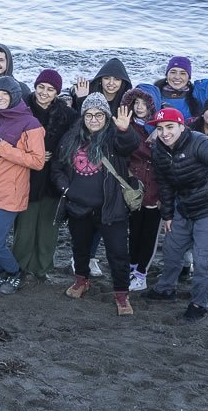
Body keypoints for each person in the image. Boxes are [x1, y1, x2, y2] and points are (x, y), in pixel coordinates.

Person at [145, 107, 208, 323]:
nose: (165, 133)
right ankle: (165, 289)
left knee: (203, 259)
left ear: (182, 126)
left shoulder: (199, 142)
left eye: (170, 127)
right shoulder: (160, 150)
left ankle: (200, 303)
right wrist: (168, 214)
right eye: (160, 129)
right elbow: (165, 185)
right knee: (171, 249)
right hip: (185, 206)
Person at [54, 95, 142, 316]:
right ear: (83, 117)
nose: (94, 119)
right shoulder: (71, 138)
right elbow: (57, 167)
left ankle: (122, 295)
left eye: (99, 114)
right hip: (78, 207)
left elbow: (130, 145)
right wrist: (66, 189)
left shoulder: (114, 138)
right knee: (80, 248)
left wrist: (125, 130)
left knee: (118, 253)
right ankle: (81, 281)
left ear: (106, 117)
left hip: (111, 207)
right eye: (89, 115)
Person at [0, 76, 46, 296]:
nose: (0, 98)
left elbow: (37, 161)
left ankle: (15, 272)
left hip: (9, 194)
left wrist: (6, 149)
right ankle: (2, 271)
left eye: (4, 94)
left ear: (14, 96)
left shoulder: (31, 124)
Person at [13, 69, 76, 283]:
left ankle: (42, 268)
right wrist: (33, 154)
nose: (44, 93)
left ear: (57, 93)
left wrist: (55, 155)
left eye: (50, 89)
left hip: (53, 176)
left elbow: (75, 140)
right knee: (25, 226)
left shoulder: (67, 115)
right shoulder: (22, 109)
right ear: (35, 86)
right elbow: (9, 136)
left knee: (49, 227)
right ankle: (21, 265)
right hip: (25, 174)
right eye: (41, 87)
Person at [122, 89, 164, 291]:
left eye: (145, 104)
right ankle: (132, 267)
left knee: (149, 235)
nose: (140, 107)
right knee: (134, 231)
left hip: (155, 189)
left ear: (152, 106)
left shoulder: (164, 129)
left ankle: (141, 274)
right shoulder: (127, 126)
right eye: (136, 102)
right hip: (134, 189)